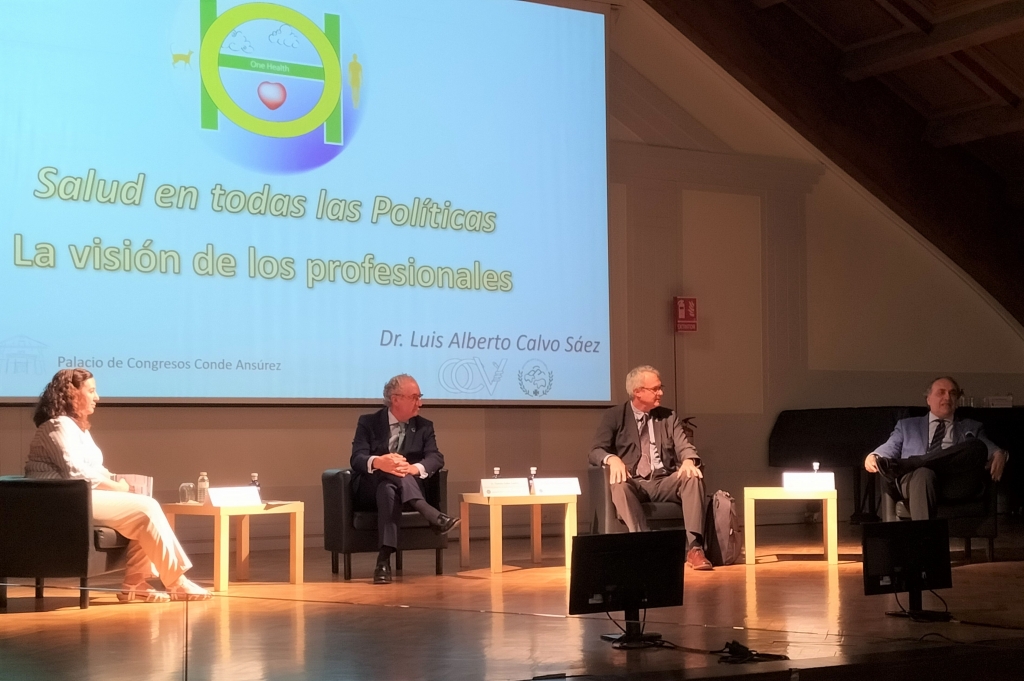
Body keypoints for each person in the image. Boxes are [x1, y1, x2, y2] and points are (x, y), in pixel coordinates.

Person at [25, 369, 210, 602]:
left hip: (81, 496)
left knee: (142, 510)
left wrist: (119, 481)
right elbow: (75, 473)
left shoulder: (76, 427)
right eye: (91, 391)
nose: (97, 397)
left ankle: (135, 583)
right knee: (146, 508)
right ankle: (177, 582)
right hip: (64, 501)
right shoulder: (57, 426)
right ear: (72, 394)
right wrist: (117, 488)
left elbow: (94, 468)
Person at [589, 365, 712, 570]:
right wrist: (612, 459)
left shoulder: (668, 416)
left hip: (664, 481)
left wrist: (689, 460)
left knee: (693, 476)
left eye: (660, 387)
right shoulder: (615, 416)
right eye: (655, 389)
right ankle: (646, 545)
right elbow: (595, 451)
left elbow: (684, 446)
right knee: (618, 484)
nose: (661, 392)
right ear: (638, 391)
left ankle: (694, 549)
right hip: (634, 482)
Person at [351, 374, 459, 584]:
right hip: (368, 489)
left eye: (420, 397)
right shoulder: (368, 422)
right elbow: (357, 458)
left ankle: (383, 561)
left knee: (388, 488)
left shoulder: (424, 426)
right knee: (388, 473)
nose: (421, 403)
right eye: (415, 397)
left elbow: (436, 457)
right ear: (396, 399)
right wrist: (379, 462)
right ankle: (432, 515)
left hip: (397, 490)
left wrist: (411, 468)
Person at [865, 376, 1008, 520]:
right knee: (924, 473)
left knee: (977, 446)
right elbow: (890, 446)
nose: (947, 397)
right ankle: (927, 541)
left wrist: (999, 453)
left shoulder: (971, 426)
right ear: (928, 399)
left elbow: (987, 447)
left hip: (954, 484)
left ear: (957, 401)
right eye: (941, 392)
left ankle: (914, 462)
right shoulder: (907, 426)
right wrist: (874, 456)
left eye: (952, 393)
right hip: (917, 481)